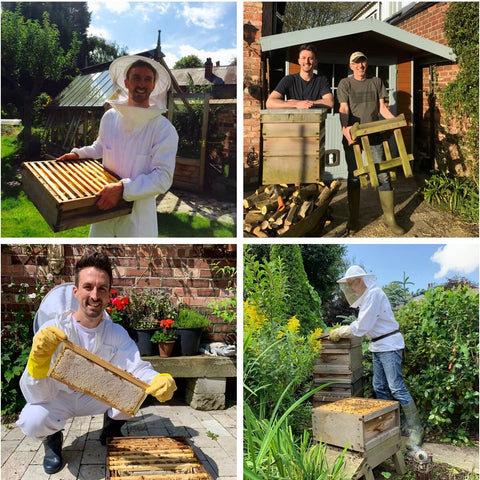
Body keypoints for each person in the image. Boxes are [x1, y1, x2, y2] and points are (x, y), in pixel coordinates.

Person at [16, 252, 177, 474]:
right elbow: (35, 396)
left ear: (109, 294)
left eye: (102, 288)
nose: (94, 295)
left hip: (95, 396)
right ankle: (52, 440)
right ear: (76, 291)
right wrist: (38, 362)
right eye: (88, 287)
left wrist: (157, 379)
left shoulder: (115, 332)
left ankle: (110, 429)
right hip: (58, 396)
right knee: (32, 418)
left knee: (135, 393)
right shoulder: (52, 330)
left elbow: (136, 367)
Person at [56, 55, 179, 237]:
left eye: (148, 79)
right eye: (136, 77)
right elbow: (101, 146)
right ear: (126, 82)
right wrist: (79, 154)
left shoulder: (164, 129)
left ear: (153, 86)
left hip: (138, 220)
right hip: (103, 209)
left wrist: (123, 189)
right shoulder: (110, 117)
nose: (142, 84)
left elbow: (163, 178)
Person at [328, 265, 424, 451]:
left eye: (352, 284)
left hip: (389, 345)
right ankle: (389, 425)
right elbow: (366, 326)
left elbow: (362, 326)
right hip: (377, 345)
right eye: (348, 285)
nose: (351, 288)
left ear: (361, 280)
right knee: (379, 386)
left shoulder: (374, 294)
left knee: (396, 387)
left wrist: (342, 330)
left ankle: (416, 429)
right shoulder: (367, 299)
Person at [337, 51, 404, 236]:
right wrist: (345, 128)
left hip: (374, 135)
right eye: (356, 63)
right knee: (354, 176)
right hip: (354, 136)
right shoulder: (345, 83)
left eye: (363, 62)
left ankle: (389, 218)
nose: (360, 66)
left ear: (367, 64)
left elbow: (382, 108)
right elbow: (344, 108)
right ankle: (354, 219)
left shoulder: (376, 82)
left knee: (382, 174)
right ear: (351, 66)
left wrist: (397, 121)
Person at [266, 44, 334, 110]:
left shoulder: (321, 80)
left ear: (315, 62)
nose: (307, 61)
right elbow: (269, 103)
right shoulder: (288, 79)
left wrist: (309, 103)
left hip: (315, 120)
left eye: (310, 58)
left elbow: (330, 102)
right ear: (299, 61)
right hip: (293, 120)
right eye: (303, 58)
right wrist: (297, 104)